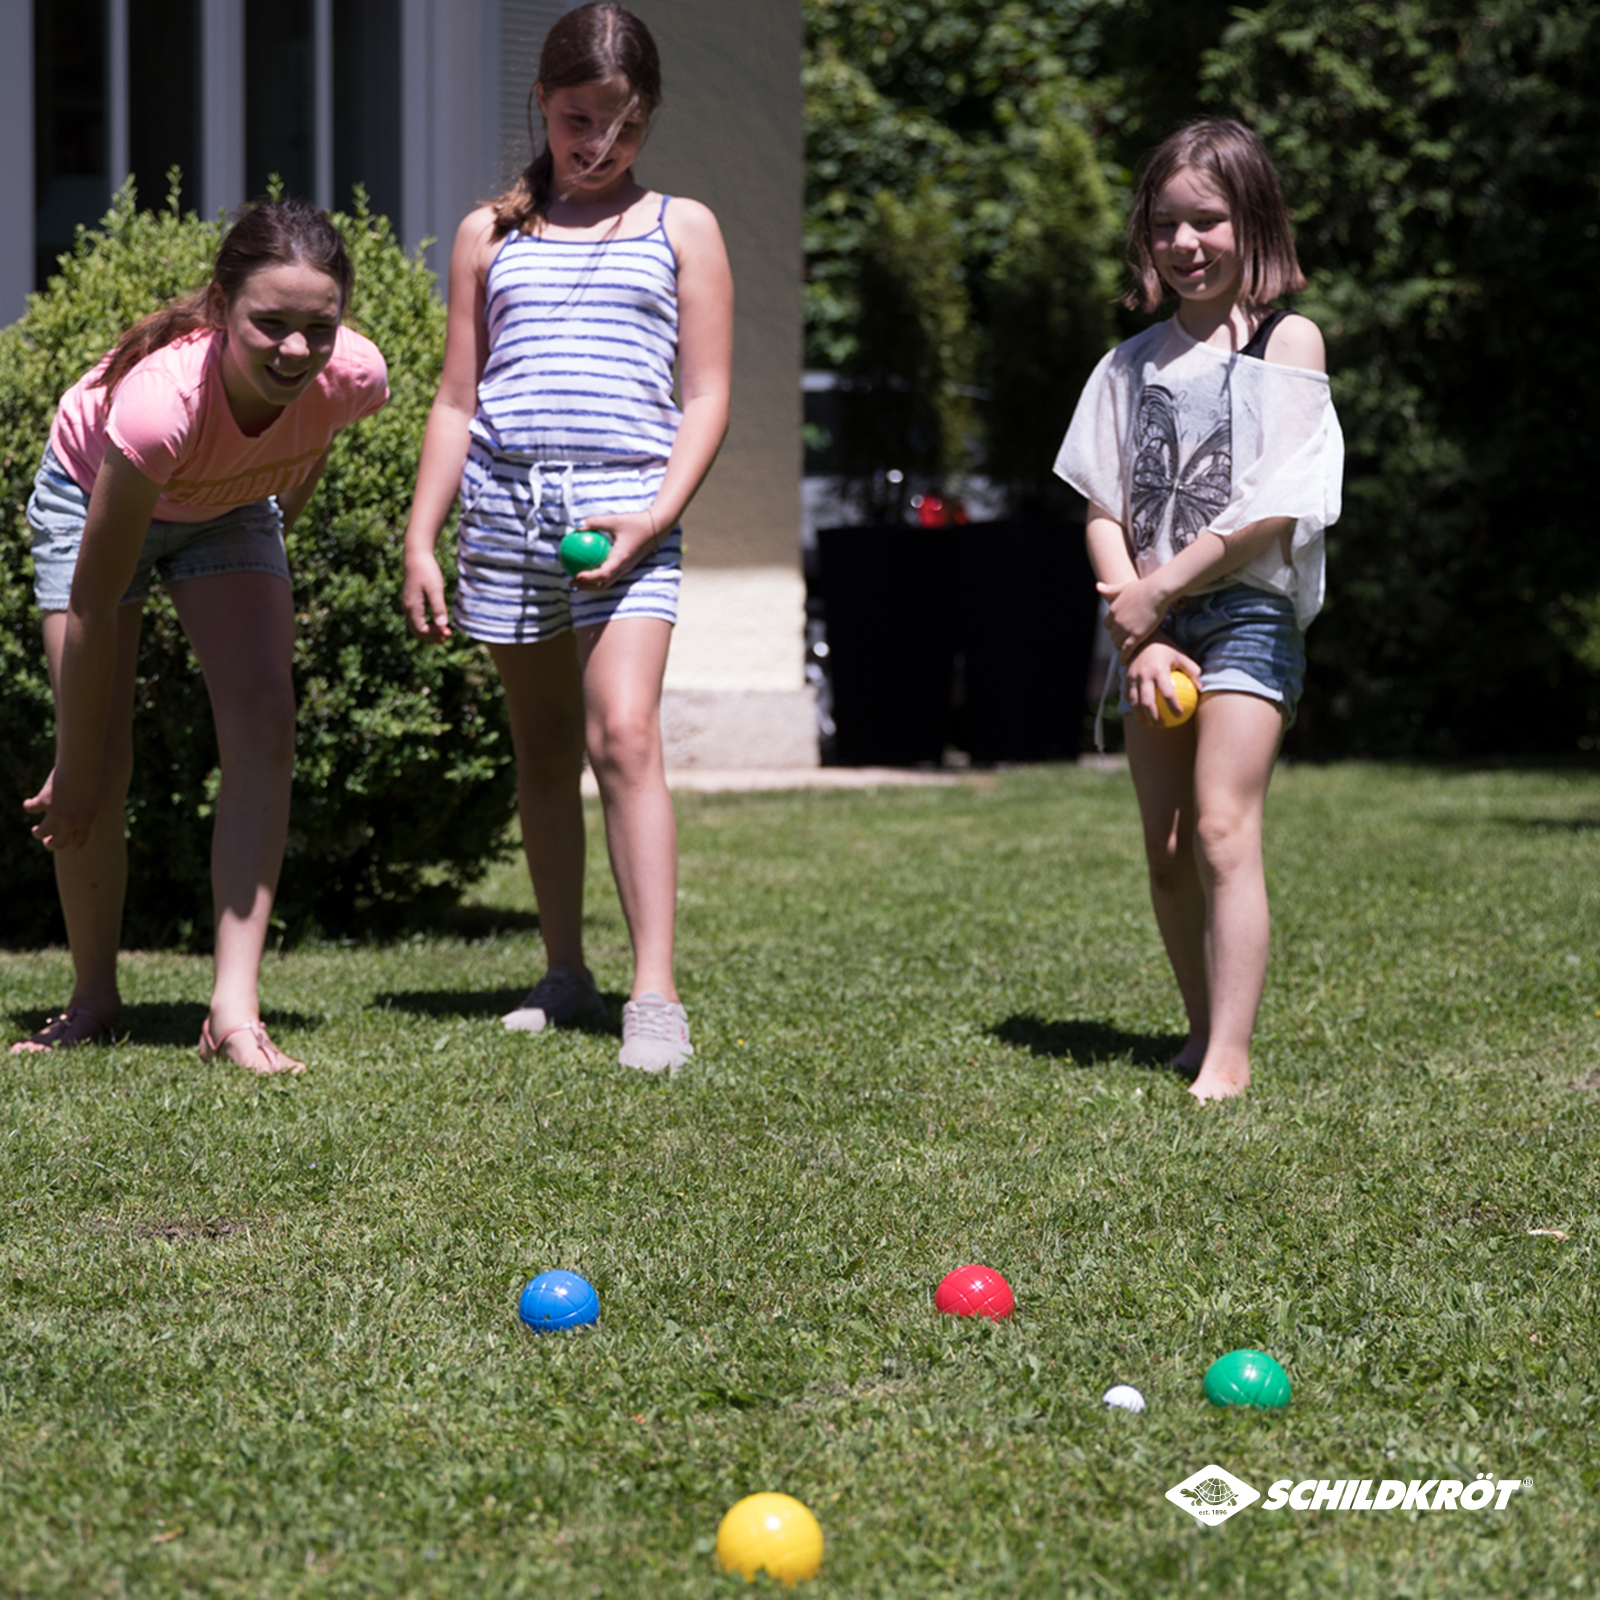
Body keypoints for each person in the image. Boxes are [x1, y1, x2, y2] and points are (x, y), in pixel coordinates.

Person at [402, 2, 732, 1074]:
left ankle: (655, 996)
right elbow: (457, 397)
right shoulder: (487, 234)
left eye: (623, 128)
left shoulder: (683, 227)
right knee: (542, 749)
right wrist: (421, 535)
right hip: (505, 509)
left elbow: (709, 393)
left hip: (627, 514)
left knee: (622, 734)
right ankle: (563, 974)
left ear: (651, 120)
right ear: (541, 104)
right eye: (578, 120)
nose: (597, 146)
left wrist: (655, 514)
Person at [12, 199, 390, 1073]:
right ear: (221, 310)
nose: (296, 349)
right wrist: (72, 768)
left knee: (266, 721)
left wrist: (269, 521)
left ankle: (233, 1012)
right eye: (270, 324)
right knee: (102, 760)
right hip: (97, 495)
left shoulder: (354, 375)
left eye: (317, 327)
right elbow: (97, 601)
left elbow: (315, 431)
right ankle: (93, 1000)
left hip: (226, 510)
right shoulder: (159, 406)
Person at [1054, 119, 1342, 1103]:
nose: (1184, 245)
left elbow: (1278, 502)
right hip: (1150, 621)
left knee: (1222, 828)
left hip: (1245, 613)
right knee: (1167, 846)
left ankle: (1230, 1049)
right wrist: (1134, 616)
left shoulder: (1284, 339)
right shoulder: (1129, 364)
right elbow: (1100, 505)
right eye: (1165, 225)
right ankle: (1194, 1026)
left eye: (1206, 222)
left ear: (1251, 221)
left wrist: (1163, 590)